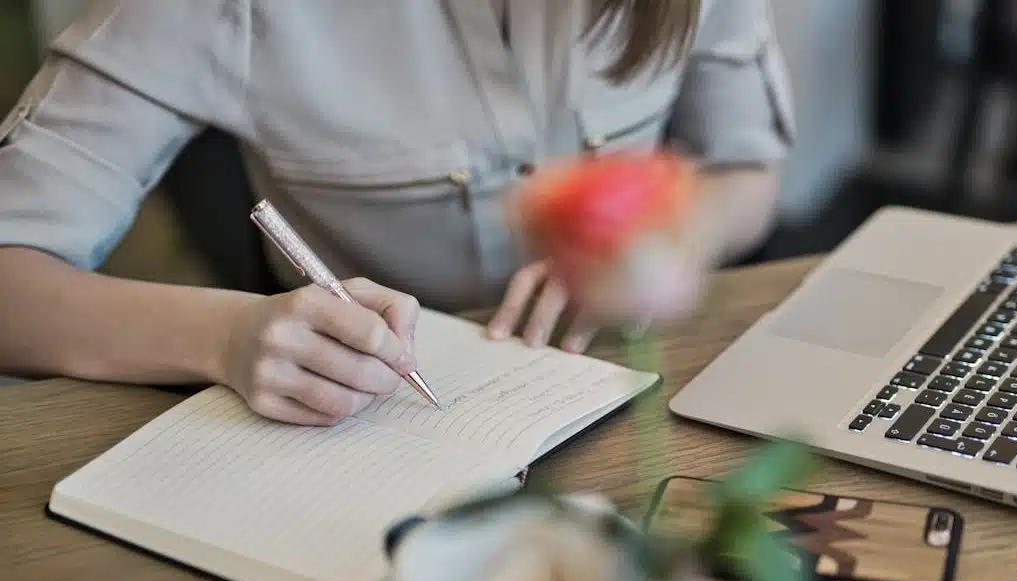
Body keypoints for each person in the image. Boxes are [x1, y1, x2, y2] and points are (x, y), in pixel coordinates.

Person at [0, 0, 795, 426]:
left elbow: (748, 170)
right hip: (365, 422)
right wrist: (228, 335)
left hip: (632, 396)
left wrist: (671, 241)